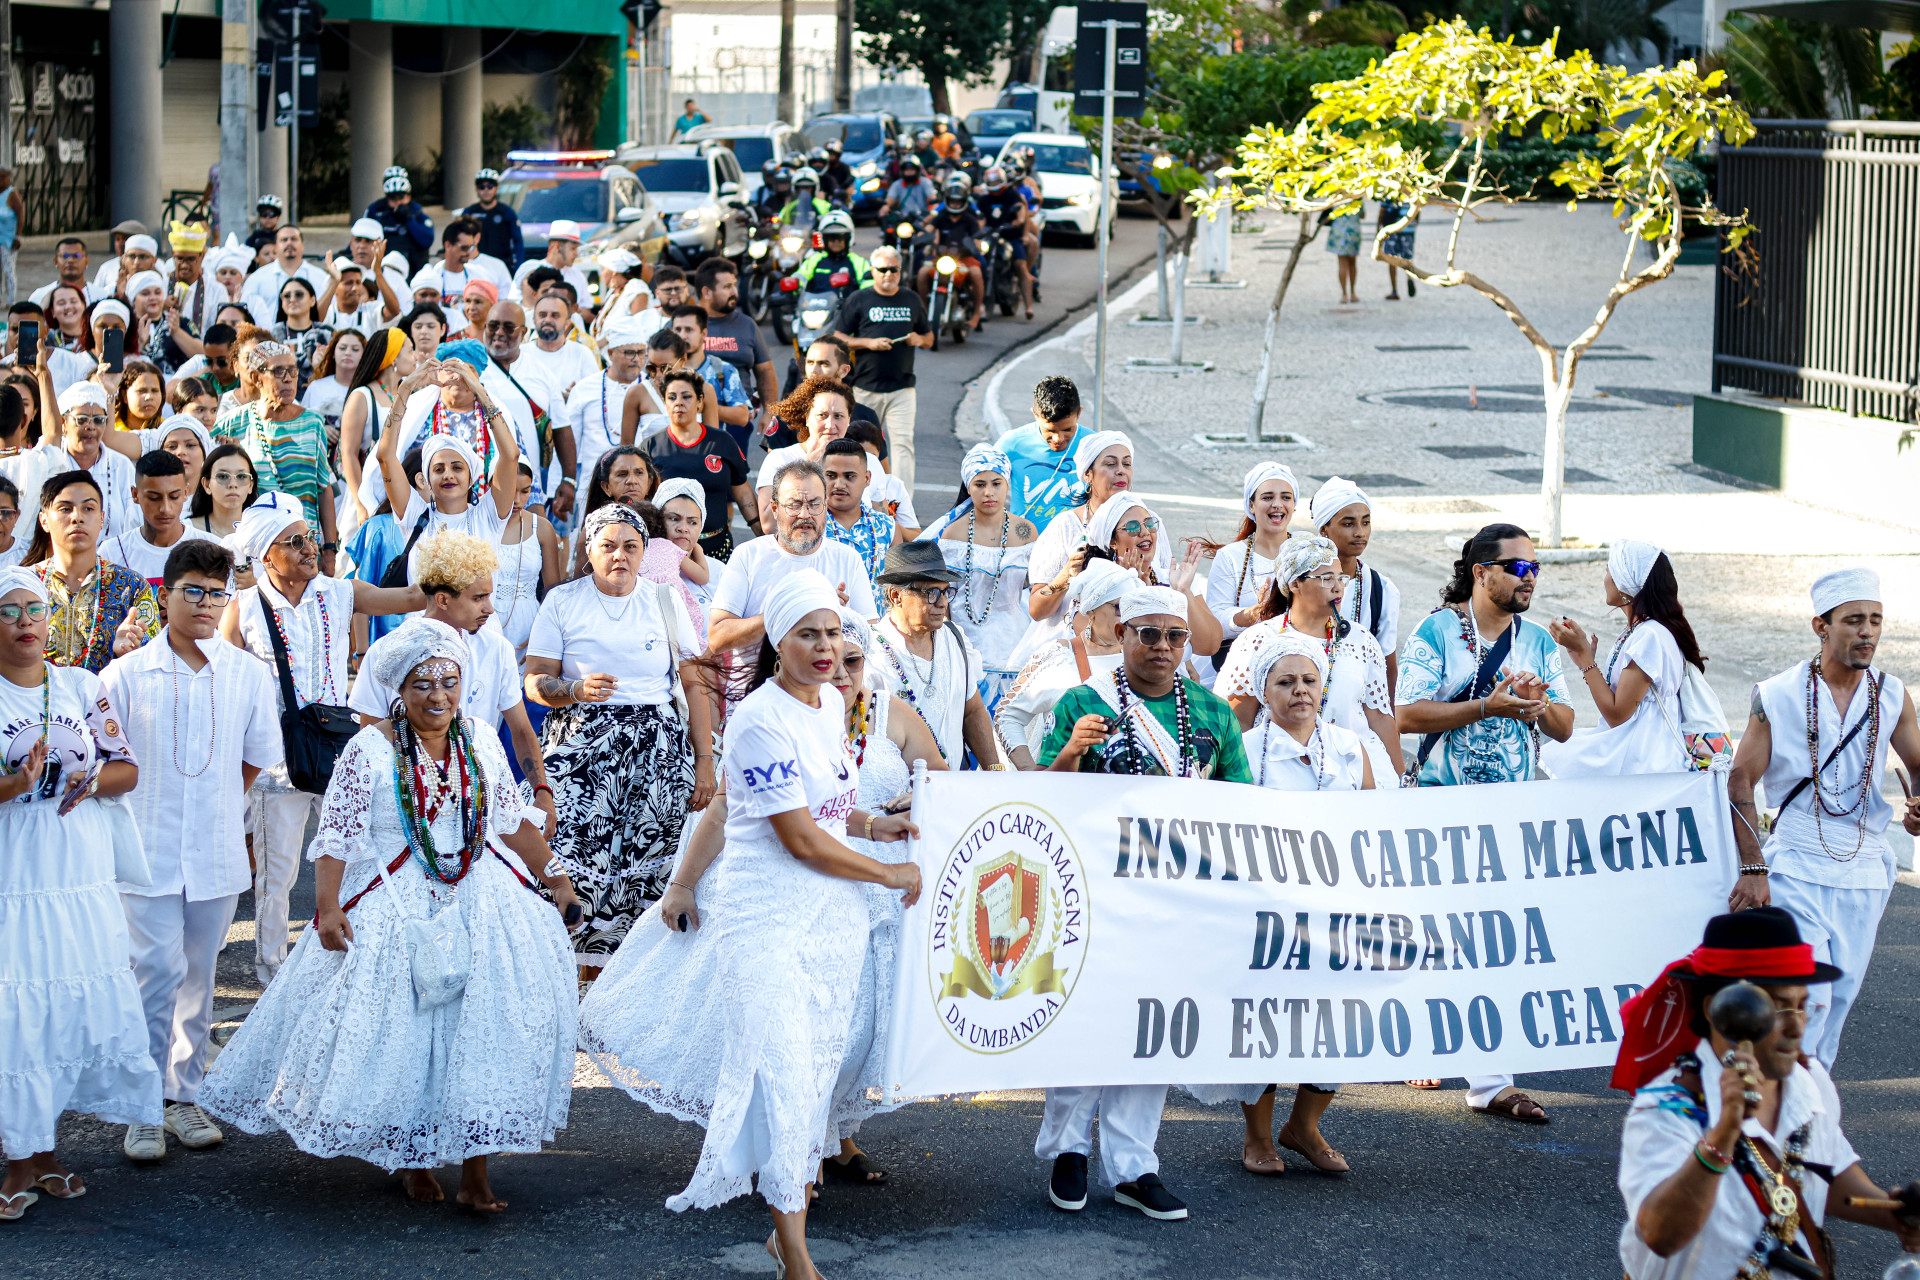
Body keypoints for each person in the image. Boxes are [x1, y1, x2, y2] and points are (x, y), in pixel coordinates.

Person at [576, 570, 920, 1280]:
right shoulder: (760, 719)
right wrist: (888, 873)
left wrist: (878, 826)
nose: (825, 648)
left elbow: (830, 811)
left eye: (833, 633)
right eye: (808, 634)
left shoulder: (829, 705)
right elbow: (797, 837)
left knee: (816, 1072)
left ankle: (784, 1228)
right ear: (776, 641)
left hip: (833, 924)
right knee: (786, 1073)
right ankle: (794, 1251)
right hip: (768, 920)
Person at [197, 619, 582, 1213]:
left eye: (449, 682)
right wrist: (326, 909)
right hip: (394, 898)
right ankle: (416, 1159)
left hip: (479, 895)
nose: (438, 696)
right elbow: (336, 838)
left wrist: (554, 877)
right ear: (399, 691)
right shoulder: (368, 749)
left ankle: (477, 1170)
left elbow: (511, 820)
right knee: (410, 1031)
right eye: (422, 684)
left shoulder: (479, 739)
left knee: (478, 1029)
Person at [1034, 586, 1247, 1224]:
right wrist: (1073, 748)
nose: (1161, 648)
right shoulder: (1084, 701)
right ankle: (1068, 1149)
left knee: (1152, 1023)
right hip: (1097, 888)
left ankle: (1135, 1164)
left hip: (1178, 895)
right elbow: (1045, 793)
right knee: (1087, 1015)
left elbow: (1241, 804)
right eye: (1147, 634)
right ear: (1121, 633)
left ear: (1187, 643)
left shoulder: (1212, 711)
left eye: (1174, 637)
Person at [1611, 907, 1920, 1278]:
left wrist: (1896, 1214)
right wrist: (1723, 1133)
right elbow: (1661, 1235)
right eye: (1775, 1007)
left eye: (1802, 1006)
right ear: (1718, 1010)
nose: (1796, 1027)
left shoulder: (1810, 1080)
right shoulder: (1665, 1109)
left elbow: (1827, 1175)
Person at [105, 540, 282, 1162]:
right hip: (144, 849)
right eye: (194, 591)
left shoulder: (246, 673)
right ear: (166, 595)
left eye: (217, 592)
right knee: (152, 974)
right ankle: (142, 1104)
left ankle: (184, 1094)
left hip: (213, 849)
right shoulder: (124, 675)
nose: (207, 604)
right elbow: (106, 763)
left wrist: (216, 810)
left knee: (199, 977)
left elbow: (257, 755)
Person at [1394, 522, 1573, 1116]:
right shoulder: (1437, 631)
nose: (1530, 578)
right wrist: (1486, 705)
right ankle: (1425, 1041)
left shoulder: (1540, 640)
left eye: (1535, 568)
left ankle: (1492, 1081)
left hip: (1512, 817)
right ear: (1481, 572)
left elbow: (1567, 725)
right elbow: (1407, 715)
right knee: (1437, 935)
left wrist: (1536, 704)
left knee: (1497, 940)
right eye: (1518, 567)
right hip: (1441, 809)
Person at [0, 566, 157, 1219]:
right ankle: (16, 1155)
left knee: (64, 1009)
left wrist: (85, 781)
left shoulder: (82, 685)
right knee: (16, 1014)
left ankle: (46, 1151)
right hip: (16, 874)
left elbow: (125, 769)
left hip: (77, 870)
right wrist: (17, 781)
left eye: (34, 609)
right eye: (9, 612)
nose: (26, 622)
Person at [219, 493, 426, 983]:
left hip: (339, 751)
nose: (309, 548)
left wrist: (449, 571)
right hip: (276, 761)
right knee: (278, 877)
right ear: (265, 554)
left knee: (358, 854)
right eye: (294, 541)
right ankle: (272, 975)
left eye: (310, 537)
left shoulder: (338, 591)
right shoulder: (243, 607)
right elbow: (225, 680)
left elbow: (410, 599)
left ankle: (350, 963)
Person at [1192, 629, 1372, 1177]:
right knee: (1266, 1017)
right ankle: (1259, 1136)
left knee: (1337, 1019)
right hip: (1265, 912)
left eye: (1309, 681)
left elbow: (1374, 823)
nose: (1300, 691)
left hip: (1337, 909)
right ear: (1264, 692)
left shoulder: (1348, 747)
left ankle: (1305, 1126)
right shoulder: (1245, 750)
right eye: (1285, 681)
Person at [1725, 567, 1920, 1070]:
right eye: (1854, 620)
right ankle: (1771, 1109)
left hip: (1865, 868)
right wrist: (1753, 868)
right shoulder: (1778, 694)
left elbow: (1919, 767)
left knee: (1837, 1002)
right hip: (1795, 862)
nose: (1867, 632)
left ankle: (1804, 1117)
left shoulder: (1893, 695)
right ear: (1821, 626)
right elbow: (1740, 778)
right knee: (1803, 999)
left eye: (1875, 620)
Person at [523, 502, 710, 974]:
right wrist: (573, 690)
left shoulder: (663, 599)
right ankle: (563, 971)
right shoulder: (563, 601)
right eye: (608, 546)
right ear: (589, 549)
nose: (619, 556)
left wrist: (704, 761)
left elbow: (693, 683)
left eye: (631, 546)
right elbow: (535, 680)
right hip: (581, 750)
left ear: (645, 550)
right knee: (566, 853)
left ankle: (630, 980)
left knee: (652, 860)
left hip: (657, 752)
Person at [348, 531, 554, 828]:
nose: (490, 608)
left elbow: (521, 730)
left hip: (480, 804)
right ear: (443, 599)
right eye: (478, 598)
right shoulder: (386, 652)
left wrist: (542, 792)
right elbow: (368, 742)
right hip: (405, 807)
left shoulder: (497, 649)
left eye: (489, 596)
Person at [1215, 533, 1404, 784]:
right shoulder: (1259, 640)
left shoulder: (1361, 641)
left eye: (1341, 578)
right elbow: (1238, 720)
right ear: (1294, 584)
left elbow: (1379, 717)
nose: (1338, 587)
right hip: (1279, 769)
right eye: (1326, 578)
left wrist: (1403, 778)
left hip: (1356, 770)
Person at [1541, 540, 1703, 779]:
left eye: (1609, 571)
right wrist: (1582, 658)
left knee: (1550, 757)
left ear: (1625, 582)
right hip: (1638, 747)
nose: (1605, 578)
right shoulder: (1641, 631)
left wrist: (1586, 658)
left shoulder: (1650, 635)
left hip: (1642, 758)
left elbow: (1617, 715)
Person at [709, 461, 878, 676]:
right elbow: (717, 638)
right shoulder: (748, 555)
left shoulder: (847, 559)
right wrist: (790, 608)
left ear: (826, 506)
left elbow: (872, 641)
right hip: (754, 693)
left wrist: (838, 616)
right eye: (794, 505)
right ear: (775, 508)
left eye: (815, 504)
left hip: (826, 697)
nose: (805, 515)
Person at [376, 360, 520, 583]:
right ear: (426, 480)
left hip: (480, 619)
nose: (448, 475)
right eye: (438, 469)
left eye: (457, 468)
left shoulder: (488, 516)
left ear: (471, 478)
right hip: (424, 618)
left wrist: (479, 391)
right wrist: (405, 390)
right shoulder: (415, 515)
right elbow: (385, 456)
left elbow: (511, 456)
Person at [868, 541, 1000, 769]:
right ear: (896, 596)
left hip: (950, 788)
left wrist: (994, 772)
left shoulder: (955, 638)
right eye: (932, 592)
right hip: (897, 797)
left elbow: (973, 711)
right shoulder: (871, 651)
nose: (943, 602)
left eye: (947, 591)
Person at [996, 558, 1133, 768]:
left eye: (1132, 606)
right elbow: (1007, 716)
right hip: (1065, 785)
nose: (1128, 616)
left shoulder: (1145, 657)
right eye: (1119, 607)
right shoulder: (1059, 657)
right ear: (1092, 609)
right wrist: (1028, 769)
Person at [932, 442, 1036, 708]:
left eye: (996, 483)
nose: (989, 492)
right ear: (969, 487)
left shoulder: (1025, 531)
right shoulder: (952, 533)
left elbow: (1037, 587)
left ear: (1007, 484)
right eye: (980, 484)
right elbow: (944, 595)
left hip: (1014, 646)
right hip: (965, 644)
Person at [25, 470, 158, 672]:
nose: (77, 517)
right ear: (44, 521)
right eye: (65, 509)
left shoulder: (132, 587)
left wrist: (126, 654)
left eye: (88, 508)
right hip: (34, 701)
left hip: (107, 701)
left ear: (102, 519)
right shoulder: (23, 585)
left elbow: (154, 660)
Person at [221, 342, 337, 565]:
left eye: (292, 371)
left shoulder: (313, 423)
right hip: (259, 549)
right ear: (256, 378)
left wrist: (330, 549)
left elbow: (324, 488)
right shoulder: (234, 422)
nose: (287, 378)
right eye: (278, 372)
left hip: (305, 547)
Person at [832, 246, 931, 489]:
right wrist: (868, 343)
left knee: (903, 445)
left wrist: (919, 340)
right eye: (882, 269)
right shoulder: (859, 299)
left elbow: (929, 338)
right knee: (859, 444)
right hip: (865, 388)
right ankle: (862, 496)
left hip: (902, 388)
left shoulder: (911, 298)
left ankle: (902, 505)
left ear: (900, 271)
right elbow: (838, 338)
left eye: (893, 269)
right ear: (872, 271)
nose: (888, 274)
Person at [645, 368, 757, 559]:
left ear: (699, 402)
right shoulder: (650, 447)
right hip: (667, 554)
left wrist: (761, 530)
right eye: (672, 397)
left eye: (686, 396)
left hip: (717, 548)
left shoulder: (722, 442)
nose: (679, 402)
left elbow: (742, 490)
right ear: (665, 403)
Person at [485, 298, 577, 519]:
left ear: (524, 332)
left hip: (528, 489)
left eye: (508, 327)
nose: (499, 332)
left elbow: (561, 427)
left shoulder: (541, 372)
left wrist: (569, 479)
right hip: (481, 485)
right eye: (493, 325)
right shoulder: (472, 367)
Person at [1310, 476, 1401, 693]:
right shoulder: (1302, 582)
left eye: (1366, 522)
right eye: (1348, 523)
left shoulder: (1382, 590)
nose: (1360, 532)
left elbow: (1387, 666)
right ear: (1324, 528)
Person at [1207, 463, 1297, 668]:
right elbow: (1215, 621)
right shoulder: (1230, 557)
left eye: (1286, 497)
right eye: (1267, 497)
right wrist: (1253, 614)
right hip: (1244, 665)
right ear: (1251, 505)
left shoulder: (1305, 549)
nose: (1277, 504)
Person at [98, 449, 222, 592]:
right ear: (135, 495)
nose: (165, 508)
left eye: (174, 496)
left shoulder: (213, 549)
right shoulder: (112, 553)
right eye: (154, 498)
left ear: (186, 492)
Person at [693, 259, 778, 445]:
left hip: (738, 418)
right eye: (727, 287)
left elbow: (765, 371)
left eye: (734, 286)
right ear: (707, 292)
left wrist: (769, 412)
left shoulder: (747, 325)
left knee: (735, 471)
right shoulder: (686, 325)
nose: (734, 292)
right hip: (694, 417)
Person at [756, 374, 855, 529]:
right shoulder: (780, 459)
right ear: (807, 418)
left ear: (849, 420)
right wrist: (809, 469)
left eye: (838, 416)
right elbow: (769, 524)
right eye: (822, 415)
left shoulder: (865, 461)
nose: (830, 425)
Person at [563, 314, 646, 494]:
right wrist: (562, 484)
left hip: (641, 489)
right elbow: (568, 444)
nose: (637, 359)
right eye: (629, 352)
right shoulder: (585, 388)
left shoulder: (652, 389)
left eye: (641, 353)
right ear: (610, 353)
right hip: (593, 487)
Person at [491, 461, 565, 658]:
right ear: (493, 486)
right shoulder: (479, 524)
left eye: (524, 491)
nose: (517, 500)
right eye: (510, 490)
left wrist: (542, 632)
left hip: (529, 623)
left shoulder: (541, 527)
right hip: (486, 622)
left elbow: (553, 591)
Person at [45, 383, 138, 539]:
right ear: (63, 423)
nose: (91, 427)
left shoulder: (121, 466)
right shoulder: (50, 461)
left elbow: (134, 527)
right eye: (82, 420)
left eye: (98, 420)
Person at [997, 376, 1089, 528]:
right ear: (1034, 414)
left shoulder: (1093, 444)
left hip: (1075, 546)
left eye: (1068, 429)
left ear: (1079, 413)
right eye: (1049, 430)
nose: (1058, 438)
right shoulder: (1012, 443)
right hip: (1024, 545)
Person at [822, 438, 897, 599]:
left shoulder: (888, 527)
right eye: (831, 476)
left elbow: (899, 591)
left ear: (867, 479)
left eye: (849, 476)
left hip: (875, 623)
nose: (839, 484)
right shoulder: (809, 526)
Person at [652, 478, 718, 622]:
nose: (683, 528)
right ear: (657, 521)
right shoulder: (642, 564)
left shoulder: (720, 571)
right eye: (674, 519)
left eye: (692, 522)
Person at [241, 226, 329, 328]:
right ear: (276, 247)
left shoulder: (321, 277)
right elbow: (246, 315)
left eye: (294, 239)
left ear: (303, 245)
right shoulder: (256, 279)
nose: (289, 243)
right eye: (284, 240)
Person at [365, 168, 435, 277]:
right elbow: (363, 235)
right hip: (384, 268)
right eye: (393, 199)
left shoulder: (417, 212)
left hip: (413, 269)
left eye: (401, 198)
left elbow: (427, 240)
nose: (398, 203)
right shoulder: (376, 210)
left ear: (409, 197)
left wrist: (409, 219)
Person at [299, 327, 363, 443]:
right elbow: (301, 424)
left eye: (355, 349)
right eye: (342, 348)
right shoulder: (316, 387)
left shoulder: (367, 390)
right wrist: (321, 428)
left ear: (364, 355)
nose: (348, 353)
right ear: (333, 353)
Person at [509, 220, 590, 310]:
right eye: (573, 248)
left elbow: (586, 311)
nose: (576, 254)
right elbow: (517, 304)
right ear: (557, 246)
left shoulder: (578, 275)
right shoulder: (530, 268)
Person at [185, 442, 256, 540]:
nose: (233, 484)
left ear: (250, 486)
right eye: (223, 476)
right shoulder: (188, 531)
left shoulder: (262, 532)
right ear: (206, 484)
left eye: (241, 476)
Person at [316, 258, 391, 335]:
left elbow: (393, 311)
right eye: (348, 283)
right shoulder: (328, 313)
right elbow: (315, 319)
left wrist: (378, 274)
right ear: (335, 288)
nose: (355, 288)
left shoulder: (371, 309)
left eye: (358, 282)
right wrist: (334, 281)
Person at [110, 358, 168, 435]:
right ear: (124, 396)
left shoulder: (168, 431)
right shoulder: (109, 431)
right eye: (141, 391)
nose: (149, 397)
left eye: (155, 390)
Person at [877, 155, 937, 225]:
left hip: (922, 218)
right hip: (903, 218)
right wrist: (886, 206)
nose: (909, 172)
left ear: (917, 170)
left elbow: (932, 198)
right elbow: (890, 199)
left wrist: (932, 212)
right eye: (907, 170)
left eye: (912, 170)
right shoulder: (897, 184)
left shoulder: (925, 182)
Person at [1378, 199, 1417, 300]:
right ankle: (1409, 277)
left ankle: (1394, 290)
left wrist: (1378, 228)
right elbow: (1418, 211)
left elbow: (1383, 210)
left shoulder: (1389, 193)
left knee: (1391, 259)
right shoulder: (1412, 192)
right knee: (1407, 258)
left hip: (1393, 229)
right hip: (1408, 229)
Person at [1327, 202, 1361, 305]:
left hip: (1339, 232)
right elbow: (1362, 214)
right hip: (1353, 231)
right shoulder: (1357, 196)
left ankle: (1344, 294)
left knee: (1342, 264)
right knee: (1352, 263)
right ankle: (1352, 292)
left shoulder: (1336, 197)